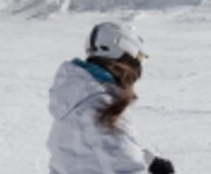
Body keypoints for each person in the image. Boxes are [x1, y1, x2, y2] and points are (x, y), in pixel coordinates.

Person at [46, 22, 174, 174]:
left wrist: (149, 160)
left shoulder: (80, 95)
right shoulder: (101, 105)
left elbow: (92, 149)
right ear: (124, 56)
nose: (138, 71)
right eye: (138, 59)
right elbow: (125, 168)